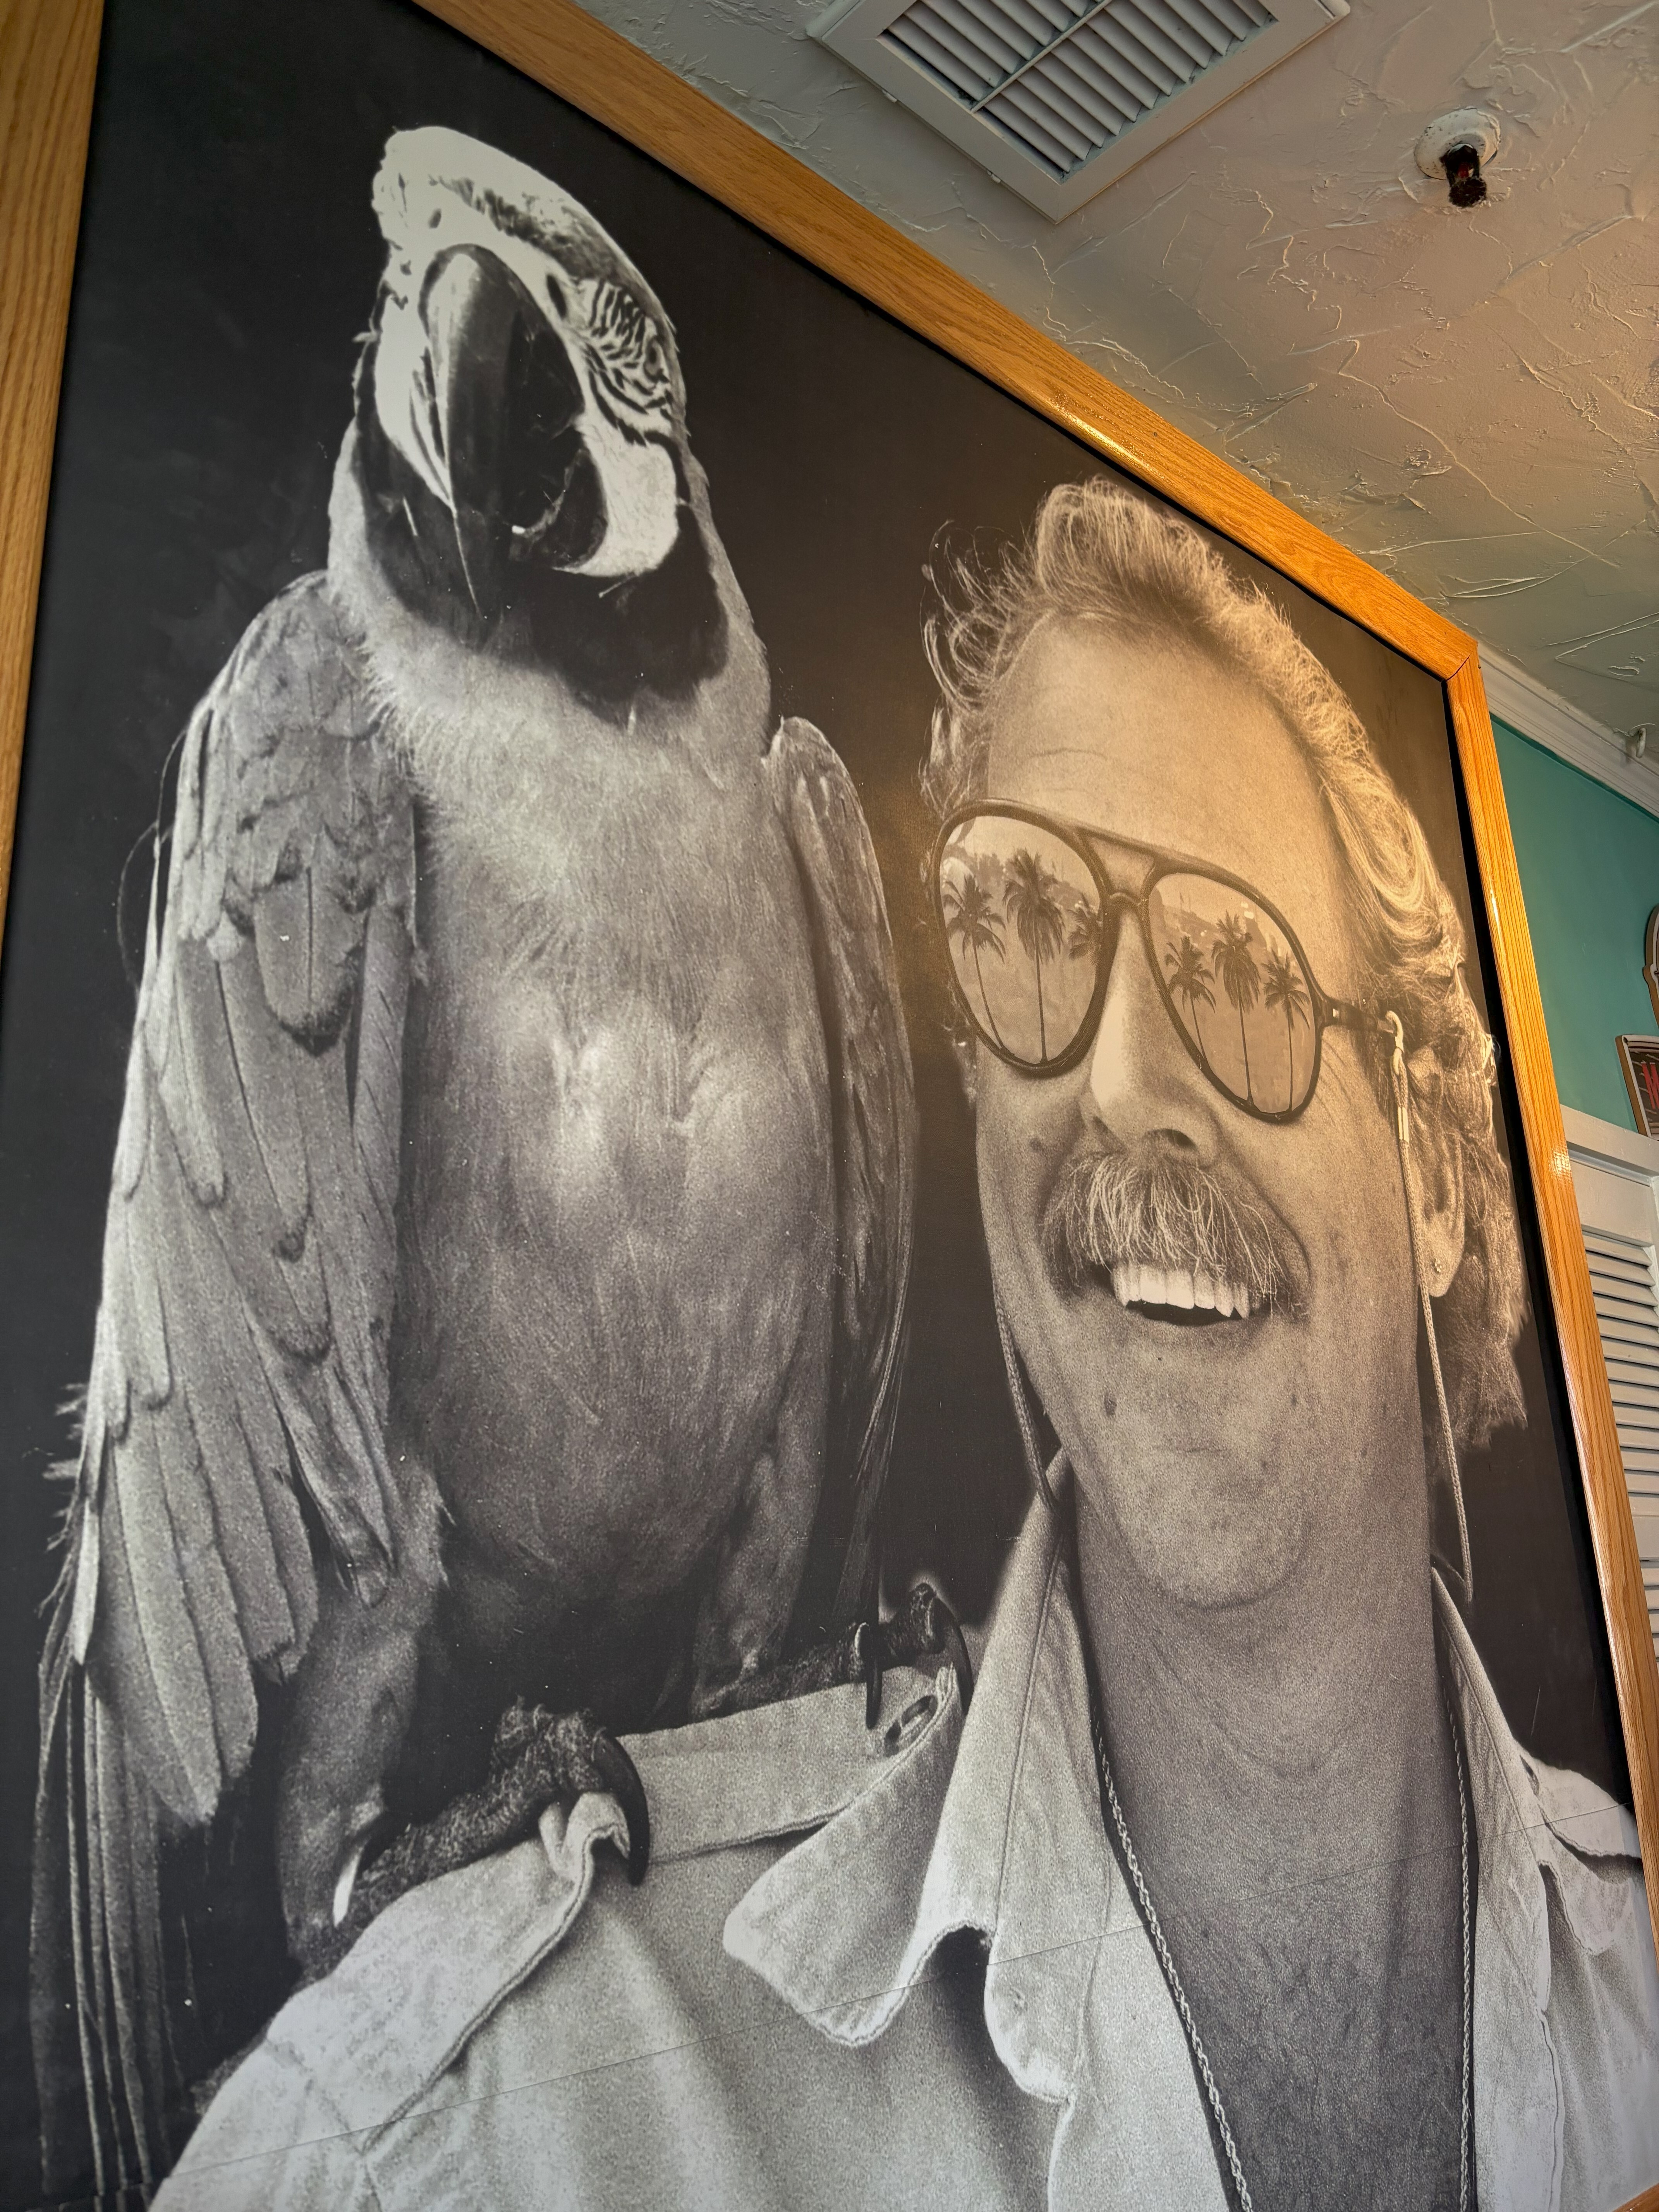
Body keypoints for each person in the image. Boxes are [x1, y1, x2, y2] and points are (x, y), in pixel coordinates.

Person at [155, 483, 1659, 2212]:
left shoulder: (1627, 1951)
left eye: (1235, 971)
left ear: (1437, 1183)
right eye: (1028, 933)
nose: (1118, 1088)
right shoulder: (448, 2137)